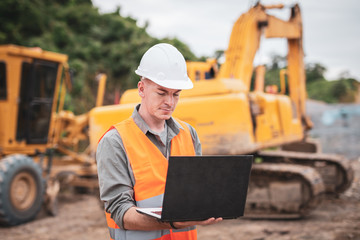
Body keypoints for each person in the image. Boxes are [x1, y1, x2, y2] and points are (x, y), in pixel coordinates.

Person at [96, 43, 222, 240]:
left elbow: (195, 194)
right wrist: (172, 221)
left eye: (176, 94)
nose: (170, 102)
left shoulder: (189, 134)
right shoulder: (115, 141)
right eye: (162, 93)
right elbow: (120, 212)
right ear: (142, 88)